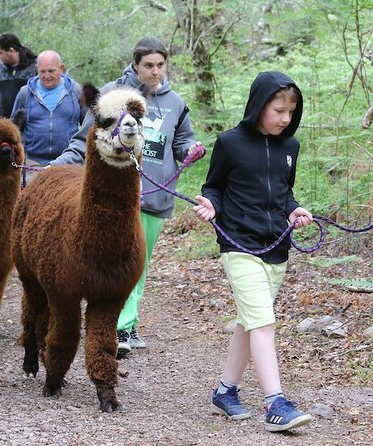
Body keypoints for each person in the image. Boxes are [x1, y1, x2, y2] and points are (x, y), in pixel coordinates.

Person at [51, 37, 202, 356]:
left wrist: (190, 150)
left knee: (139, 264)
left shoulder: (174, 102)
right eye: (148, 65)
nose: (155, 71)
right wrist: (54, 168)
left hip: (156, 195)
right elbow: (85, 141)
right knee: (113, 264)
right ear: (135, 64)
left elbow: (182, 139)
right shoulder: (111, 95)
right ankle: (115, 326)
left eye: (161, 65)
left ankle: (127, 325)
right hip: (115, 200)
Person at [192, 71, 314, 433]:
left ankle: (225, 391)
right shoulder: (229, 142)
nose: (285, 119)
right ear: (259, 106)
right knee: (263, 321)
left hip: (277, 246)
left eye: (291, 112)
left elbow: (283, 191)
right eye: (278, 110)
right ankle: (275, 403)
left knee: (250, 321)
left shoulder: (290, 147)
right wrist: (211, 206)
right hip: (239, 244)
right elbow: (213, 186)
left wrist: (294, 209)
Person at [10, 50, 88, 183]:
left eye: (51, 71)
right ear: (37, 69)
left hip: (68, 162)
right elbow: (13, 130)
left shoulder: (77, 91)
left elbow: (88, 128)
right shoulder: (25, 93)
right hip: (33, 165)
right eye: (42, 72)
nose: (47, 76)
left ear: (61, 68)